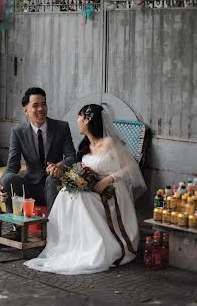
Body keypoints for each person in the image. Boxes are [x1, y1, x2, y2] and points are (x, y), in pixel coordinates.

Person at [24, 103, 147, 275]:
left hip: (113, 190)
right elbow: (82, 171)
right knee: (67, 192)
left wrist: (109, 179)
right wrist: (65, 172)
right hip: (93, 189)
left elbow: (132, 169)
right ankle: (72, 244)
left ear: (87, 120)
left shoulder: (110, 143)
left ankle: (98, 245)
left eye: (79, 117)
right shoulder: (85, 147)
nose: (77, 121)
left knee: (80, 198)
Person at [0, 87, 76, 213]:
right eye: (35, 105)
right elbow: (12, 165)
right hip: (30, 186)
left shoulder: (61, 127)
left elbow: (72, 156)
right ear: (26, 110)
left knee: (52, 179)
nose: (41, 109)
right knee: (8, 179)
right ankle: (16, 227)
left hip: (55, 184)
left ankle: (53, 229)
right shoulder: (18, 132)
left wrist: (60, 165)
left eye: (43, 104)